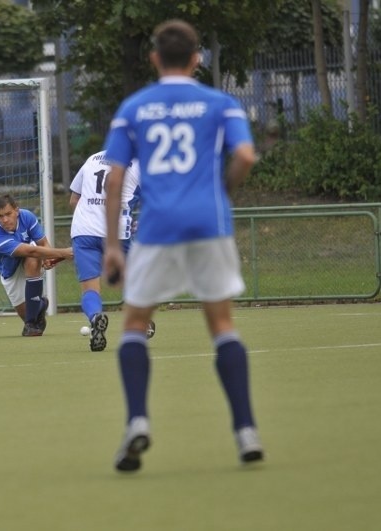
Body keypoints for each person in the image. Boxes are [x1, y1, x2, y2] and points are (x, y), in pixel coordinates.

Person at [102, 19, 263, 471]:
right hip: (209, 224)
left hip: (156, 228)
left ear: (154, 58)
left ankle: (137, 421)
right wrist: (223, 192)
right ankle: (246, 430)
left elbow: (115, 177)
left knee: (135, 323)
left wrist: (114, 245)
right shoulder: (219, 102)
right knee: (222, 325)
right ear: (196, 59)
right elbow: (246, 156)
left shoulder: (134, 107)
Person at [69, 151, 155, 352]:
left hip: (83, 230)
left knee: (90, 289)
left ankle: (95, 317)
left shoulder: (91, 159)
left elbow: (74, 200)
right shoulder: (139, 163)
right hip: (116, 231)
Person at [0, 194, 73, 336]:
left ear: (17, 210)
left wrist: (47, 257)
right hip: (10, 273)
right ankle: (40, 305)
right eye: (0, 216)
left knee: (33, 258)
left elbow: (42, 243)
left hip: (30, 260)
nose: (5, 220)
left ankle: (30, 325)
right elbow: (29, 250)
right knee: (27, 312)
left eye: (8, 214)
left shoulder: (26, 217)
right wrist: (63, 253)